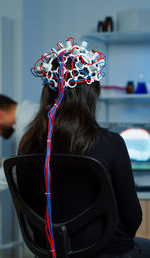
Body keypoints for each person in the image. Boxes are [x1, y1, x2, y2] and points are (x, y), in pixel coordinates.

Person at [18, 37, 150, 257]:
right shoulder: (110, 143)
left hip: (51, 252)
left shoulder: (28, 145)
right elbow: (132, 218)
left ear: (47, 93)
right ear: (92, 94)